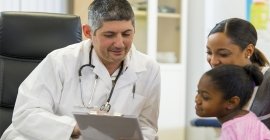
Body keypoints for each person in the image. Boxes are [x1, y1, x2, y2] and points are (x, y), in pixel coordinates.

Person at [0, 0, 160, 140]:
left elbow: (147, 126)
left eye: (126, 34)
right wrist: (76, 128)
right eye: (109, 35)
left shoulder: (148, 69)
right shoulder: (60, 61)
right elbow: (26, 114)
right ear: (88, 32)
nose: (119, 44)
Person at [195, 64, 270, 139]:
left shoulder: (233, 130)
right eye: (198, 92)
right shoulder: (247, 118)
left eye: (205, 97)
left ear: (232, 102)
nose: (197, 100)